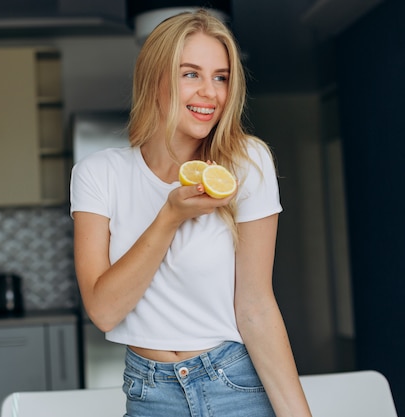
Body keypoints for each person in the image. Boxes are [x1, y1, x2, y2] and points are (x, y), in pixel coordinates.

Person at [70, 9, 312, 417]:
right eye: (190, 74)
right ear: (155, 81)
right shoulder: (98, 174)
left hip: (234, 382)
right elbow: (104, 310)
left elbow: (255, 306)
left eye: (220, 77)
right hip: (149, 393)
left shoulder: (246, 164)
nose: (210, 93)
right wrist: (169, 217)